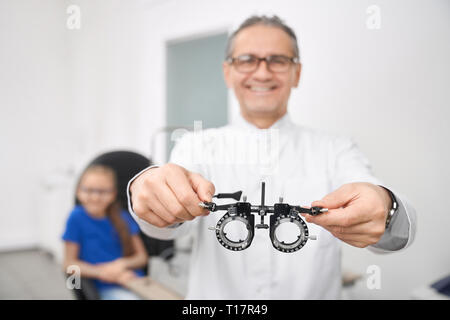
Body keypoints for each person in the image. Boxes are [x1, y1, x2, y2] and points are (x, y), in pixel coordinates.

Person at [126, 15, 417, 299]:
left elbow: (390, 226)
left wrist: (386, 208)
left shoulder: (337, 149)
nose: (262, 73)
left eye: (278, 60)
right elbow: (166, 228)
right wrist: (147, 190)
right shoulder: (195, 145)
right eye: (247, 59)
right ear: (228, 72)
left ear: (297, 73)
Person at [62, 164, 148, 300]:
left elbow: (141, 258)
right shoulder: (76, 218)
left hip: (134, 281)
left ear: (113, 194)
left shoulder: (123, 217)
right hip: (104, 287)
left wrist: (120, 265)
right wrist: (104, 273)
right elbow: (69, 264)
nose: (95, 198)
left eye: (102, 192)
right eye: (89, 190)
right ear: (78, 191)